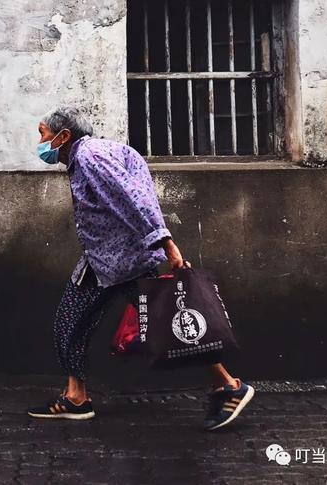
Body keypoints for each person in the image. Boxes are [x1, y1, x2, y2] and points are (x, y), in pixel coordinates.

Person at [26, 105, 255, 429]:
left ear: (63, 136)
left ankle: (229, 385)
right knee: (71, 322)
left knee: (170, 325)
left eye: (43, 133)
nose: (40, 141)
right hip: (102, 261)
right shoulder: (95, 153)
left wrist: (166, 243)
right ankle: (76, 397)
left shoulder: (90, 156)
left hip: (127, 262)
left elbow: (133, 198)